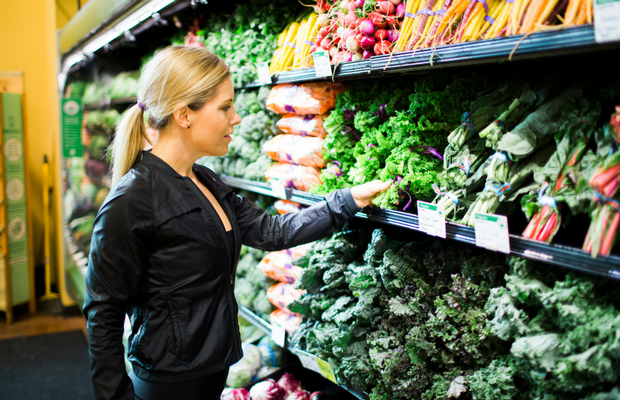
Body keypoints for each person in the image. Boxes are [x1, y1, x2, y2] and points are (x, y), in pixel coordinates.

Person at [83, 46, 390, 400]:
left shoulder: (204, 180)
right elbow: (102, 312)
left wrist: (349, 200)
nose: (237, 118)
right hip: (170, 383)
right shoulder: (132, 199)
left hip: (212, 370)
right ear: (184, 114)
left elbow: (273, 231)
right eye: (225, 107)